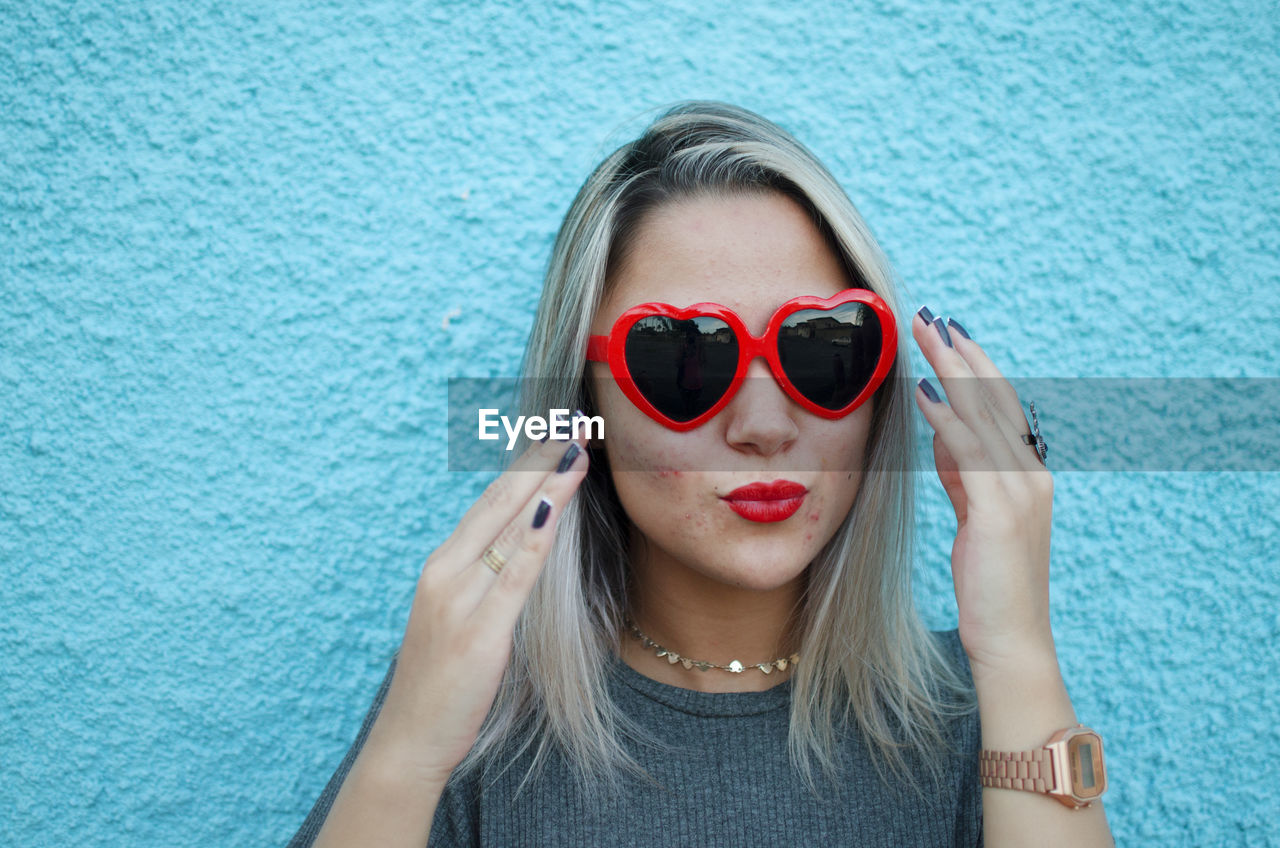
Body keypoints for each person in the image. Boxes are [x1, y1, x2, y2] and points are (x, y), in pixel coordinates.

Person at [287, 101, 1115, 847]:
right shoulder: (470, 703)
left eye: (823, 350)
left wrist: (1017, 648)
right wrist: (407, 751)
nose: (763, 427)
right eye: (685, 358)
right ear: (587, 407)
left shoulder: (984, 707)